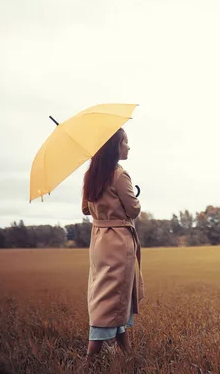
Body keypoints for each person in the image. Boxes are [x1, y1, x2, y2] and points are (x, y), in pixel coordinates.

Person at [81, 128, 144, 358]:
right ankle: (91, 357)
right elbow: (134, 210)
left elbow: (86, 208)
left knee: (111, 292)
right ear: (114, 148)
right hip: (119, 242)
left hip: (99, 242)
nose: (128, 146)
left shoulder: (92, 174)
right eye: (125, 142)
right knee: (112, 296)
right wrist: (132, 198)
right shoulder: (119, 175)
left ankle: (126, 351)